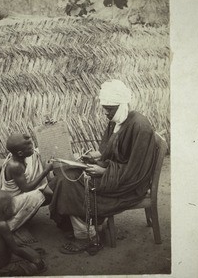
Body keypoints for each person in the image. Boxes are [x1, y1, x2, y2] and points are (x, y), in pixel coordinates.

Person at [49, 79, 157, 254]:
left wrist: (103, 171)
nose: (106, 112)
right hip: (116, 174)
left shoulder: (140, 127)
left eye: (110, 108)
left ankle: (87, 235)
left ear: (122, 105)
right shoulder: (118, 120)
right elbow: (110, 150)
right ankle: (80, 224)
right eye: (104, 107)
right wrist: (96, 157)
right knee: (66, 173)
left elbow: (137, 171)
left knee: (70, 185)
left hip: (128, 185)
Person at [0, 190, 47, 276]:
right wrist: (34, 260)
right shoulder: (2, 226)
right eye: (13, 205)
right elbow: (16, 250)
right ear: (6, 210)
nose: (15, 206)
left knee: (27, 251)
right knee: (36, 265)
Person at [0, 133, 53, 231]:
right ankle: (19, 225)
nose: (34, 149)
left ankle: (24, 218)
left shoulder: (25, 157)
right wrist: (46, 171)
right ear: (20, 153)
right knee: (43, 195)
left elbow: (41, 148)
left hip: (19, 198)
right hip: (10, 203)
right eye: (30, 148)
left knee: (50, 192)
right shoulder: (15, 166)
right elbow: (26, 188)